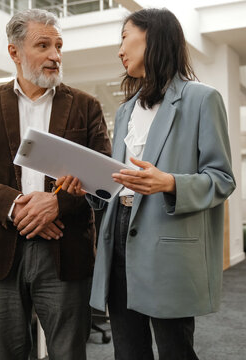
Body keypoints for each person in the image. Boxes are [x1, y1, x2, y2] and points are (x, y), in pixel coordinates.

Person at [57, 8, 235, 360]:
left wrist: (169, 182)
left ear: (151, 36)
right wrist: (89, 186)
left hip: (166, 239)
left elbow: (222, 179)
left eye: (124, 36)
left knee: (174, 349)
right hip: (118, 235)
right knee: (128, 349)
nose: (119, 49)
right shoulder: (125, 111)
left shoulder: (201, 99)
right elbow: (120, 182)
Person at [0, 9, 111, 360]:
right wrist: (15, 205)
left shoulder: (86, 107)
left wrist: (56, 204)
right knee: (7, 352)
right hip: (1, 249)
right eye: (43, 45)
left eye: (58, 46)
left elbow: (104, 179)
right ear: (15, 52)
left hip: (65, 251)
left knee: (68, 352)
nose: (55, 55)